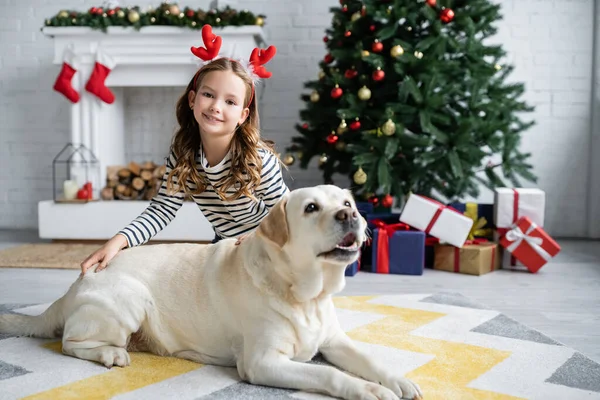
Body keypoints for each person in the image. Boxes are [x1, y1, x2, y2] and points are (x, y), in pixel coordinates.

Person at [81, 25, 288, 274]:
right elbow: (162, 209)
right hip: (225, 250)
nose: (216, 107)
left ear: (243, 115)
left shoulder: (259, 160)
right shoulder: (183, 156)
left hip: (271, 250)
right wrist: (117, 242)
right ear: (192, 99)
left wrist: (259, 240)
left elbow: (287, 215)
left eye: (230, 101)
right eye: (209, 95)